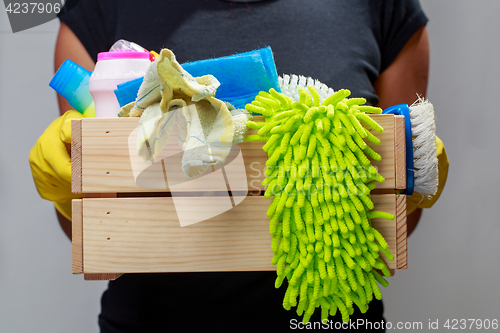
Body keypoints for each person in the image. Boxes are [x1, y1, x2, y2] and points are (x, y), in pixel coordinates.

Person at [29, 0, 448, 331]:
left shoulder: (383, 6)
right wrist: (71, 188)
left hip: (336, 316)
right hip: (150, 323)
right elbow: (97, 237)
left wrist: (409, 176)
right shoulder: (99, 7)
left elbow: (391, 233)